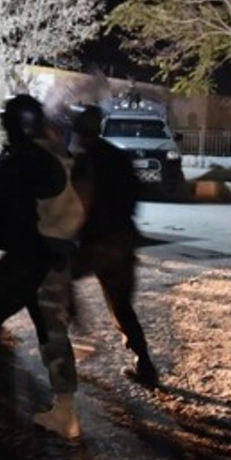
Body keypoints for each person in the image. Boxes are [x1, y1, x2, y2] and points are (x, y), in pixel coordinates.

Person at [0, 93, 86, 439]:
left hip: (28, 257)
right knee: (51, 330)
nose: (3, 127)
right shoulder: (49, 153)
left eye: (6, 122)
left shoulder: (24, 160)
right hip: (54, 256)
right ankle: (64, 410)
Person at [69, 104, 158, 388]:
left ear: (81, 132)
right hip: (123, 241)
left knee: (54, 276)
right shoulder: (119, 157)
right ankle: (145, 364)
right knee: (122, 306)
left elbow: (78, 204)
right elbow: (136, 195)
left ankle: (79, 333)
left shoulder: (83, 161)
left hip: (96, 244)